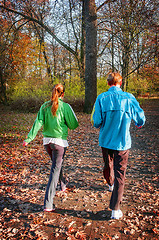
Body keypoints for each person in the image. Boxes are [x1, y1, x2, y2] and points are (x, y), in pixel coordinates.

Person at [91, 72, 145, 219]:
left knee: (108, 165)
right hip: (122, 141)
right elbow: (140, 117)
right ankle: (115, 209)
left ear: (108, 83)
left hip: (106, 140)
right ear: (120, 83)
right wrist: (139, 123)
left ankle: (110, 183)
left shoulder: (101, 97)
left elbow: (96, 122)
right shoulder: (129, 97)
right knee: (120, 173)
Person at [23, 84, 79, 212]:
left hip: (47, 143)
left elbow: (38, 122)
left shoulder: (44, 106)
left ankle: (63, 184)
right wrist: (67, 122)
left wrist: (29, 138)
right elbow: (74, 124)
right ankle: (48, 204)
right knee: (55, 170)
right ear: (62, 94)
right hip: (59, 143)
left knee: (57, 165)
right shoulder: (65, 107)